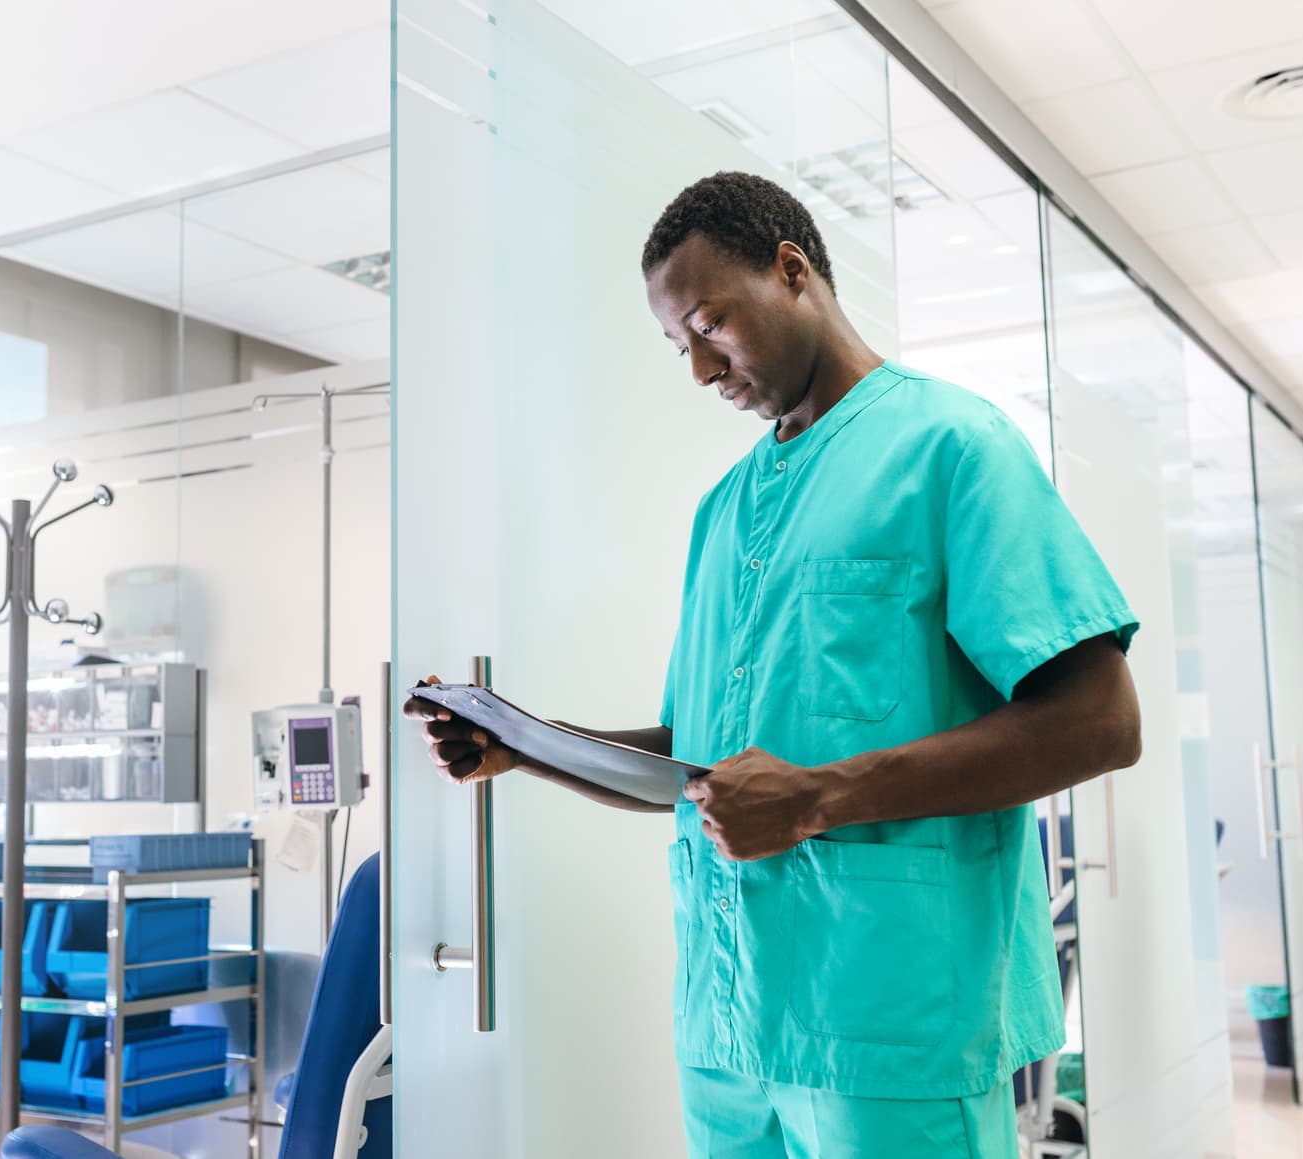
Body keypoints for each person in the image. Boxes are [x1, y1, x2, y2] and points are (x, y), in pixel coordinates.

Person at [406, 170, 1142, 1158]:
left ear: (791, 271)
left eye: (710, 326)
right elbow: (703, 767)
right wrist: (531, 750)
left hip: (889, 1027)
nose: (704, 373)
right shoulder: (723, 511)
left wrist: (816, 796)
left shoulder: (949, 447)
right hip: (724, 1030)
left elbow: (1098, 718)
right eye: (681, 347)